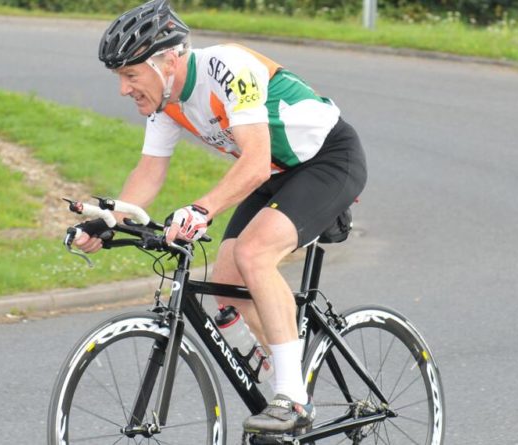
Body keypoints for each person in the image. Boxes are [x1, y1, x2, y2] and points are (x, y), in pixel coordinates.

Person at [75, 0, 367, 437]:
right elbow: (149, 172)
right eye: (120, 76)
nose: (123, 88)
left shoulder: (228, 68)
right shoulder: (167, 102)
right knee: (227, 279)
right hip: (276, 173)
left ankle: (293, 399)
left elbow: (255, 161)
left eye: (130, 75)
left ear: (168, 61)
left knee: (253, 254)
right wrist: (108, 220)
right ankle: (284, 379)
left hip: (326, 159)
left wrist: (201, 209)